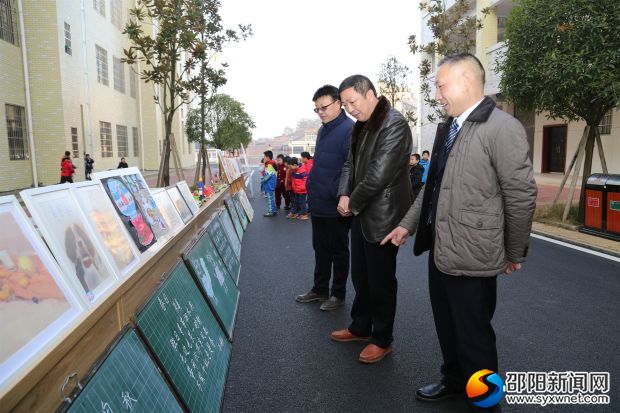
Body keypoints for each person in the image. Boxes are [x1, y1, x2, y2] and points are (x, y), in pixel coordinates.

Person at [382, 53, 537, 408]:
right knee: (448, 326)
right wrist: (406, 226)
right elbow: (432, 187)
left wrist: (515, 252)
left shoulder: (502, 128)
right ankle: (454, 380)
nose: (437, 95)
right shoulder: (448, 128)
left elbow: (521, 195)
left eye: (441, 86)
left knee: (474, 337)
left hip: (475, 252)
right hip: (441, 248)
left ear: (466, 81)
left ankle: (485, 402)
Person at [330, 74, 413, 364]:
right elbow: (350, 164)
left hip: (384, 216)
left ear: (369, 94)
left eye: (352, 102)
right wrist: (343, 194)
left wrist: (351, 202)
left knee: (381, 281)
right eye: (345, 105)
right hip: (361, 211)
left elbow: (379, 174)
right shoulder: (361, 126)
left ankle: (382, 338)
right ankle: (361, 326)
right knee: (361, 276)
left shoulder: (394, 123)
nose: (350, 109)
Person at [296, 85, 354, 311]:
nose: (320, 112)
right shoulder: (323, 130)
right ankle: (319, 289)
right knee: (320, 248)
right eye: (317, 109)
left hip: (336, 204)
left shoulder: (350, 129)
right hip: (319, 201)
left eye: (324, 107)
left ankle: (337, 294)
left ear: (339, 103)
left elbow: (351, 167)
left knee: (338, 250)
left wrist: (343, 195)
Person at [261, 151, 277, 217]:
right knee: (271, 198)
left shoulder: (270, 163)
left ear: (267, 157)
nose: (263, 157)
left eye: (264, 156)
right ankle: (273, 211)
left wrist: (263, 180)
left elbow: (268, 175)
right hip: (270, 183)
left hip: (270, 184)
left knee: (270, 198)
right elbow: (264, 172)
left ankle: (271, 212)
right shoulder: (270, 163)